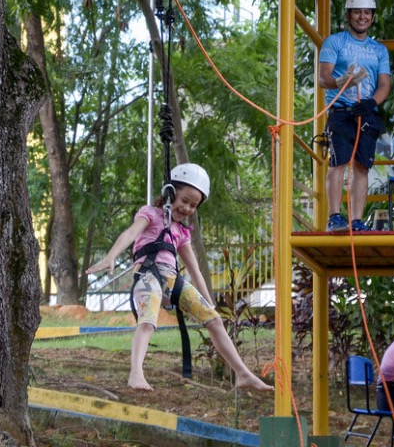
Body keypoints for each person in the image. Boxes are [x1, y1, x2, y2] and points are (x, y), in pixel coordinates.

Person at [86, 163, 272, 393]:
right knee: (148, 321)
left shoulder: (182, 232)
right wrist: (111, 256)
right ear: (170, 193)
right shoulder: (150, 214)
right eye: (184, 200)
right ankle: (136, 372)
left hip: (173, 280)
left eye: (193, 205)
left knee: (213, 320)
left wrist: (209, 302)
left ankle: (243, 374)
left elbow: (194, 270)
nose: (187, 208)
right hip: (148, 274)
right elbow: (131, 233)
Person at [318, 0, 391, 232]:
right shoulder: (335, 42)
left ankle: (357, 220)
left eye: (367, 12)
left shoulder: (379, 49)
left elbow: (384, 85)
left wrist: (371, 103)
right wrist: (340, 82)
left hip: (366, 113)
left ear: (372, 16)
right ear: (349, 15)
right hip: (341, 110)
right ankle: (334, 218)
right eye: (357, 12)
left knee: (362, 165)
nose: (362, 17)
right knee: (338, 162)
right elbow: (323, 77)